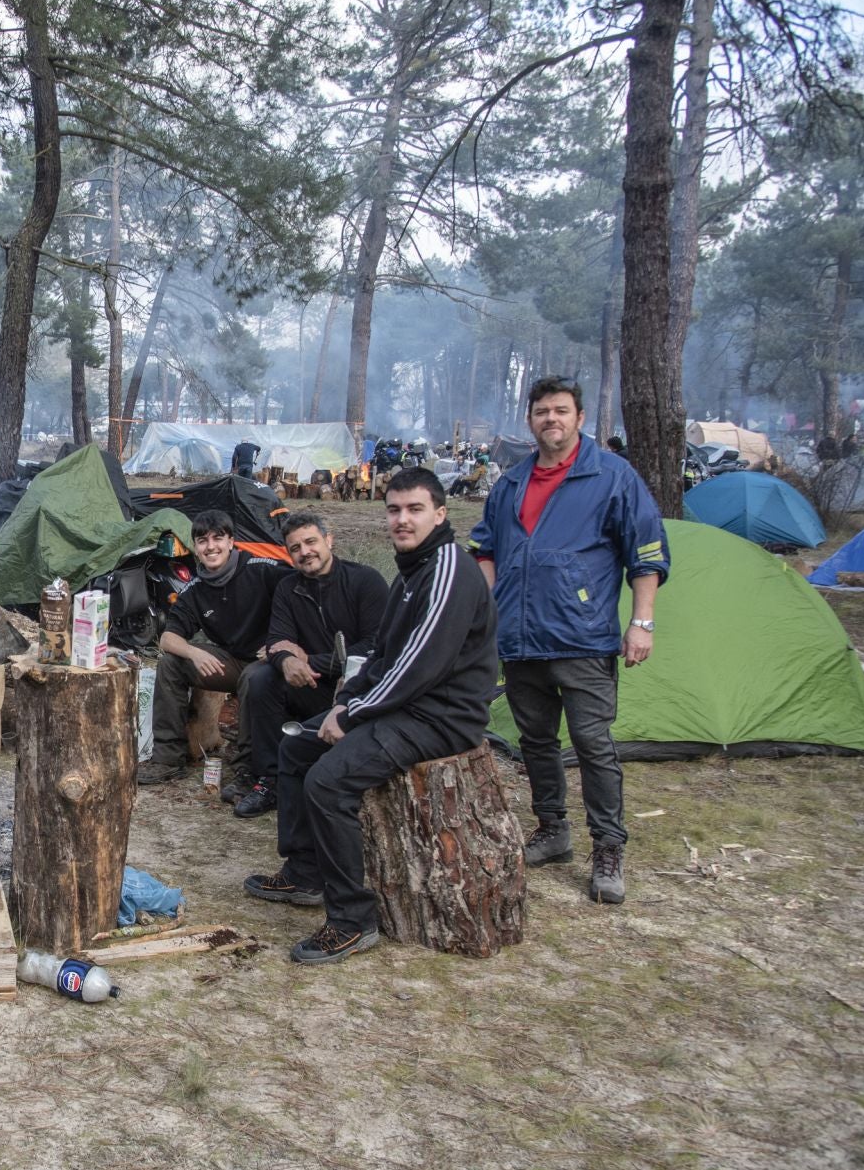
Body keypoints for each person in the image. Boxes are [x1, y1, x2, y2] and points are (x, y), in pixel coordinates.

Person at [243, 469, 497, 965]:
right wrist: (345, 699)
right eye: (395, 509)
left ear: (440, 515)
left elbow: (419, 665)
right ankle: (304, 872)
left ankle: (351, 920)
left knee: (328, 782)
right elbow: (383, 653)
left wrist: (353, 712)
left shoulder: (447, 568)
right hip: (405, 705)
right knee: (297, 747)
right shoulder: (413, 569)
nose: (402, 520)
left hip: (440, 717)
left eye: (415, 509)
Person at [472, 375, 669, 907]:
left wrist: (642, 622)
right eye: (541, 412)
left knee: (593, 745)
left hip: (582, 639)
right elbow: (484, 548)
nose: (550, 419)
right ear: (530, 420)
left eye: (561, 410)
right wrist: (487, 613)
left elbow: (646, 552)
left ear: (580, 419)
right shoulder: (511, 483)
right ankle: (553, 829)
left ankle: (608, 847)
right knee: (535, 742)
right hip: (519, 639)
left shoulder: (611, 476)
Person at [230, 513, 388, 819]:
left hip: (358, 691)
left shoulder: (365, 581)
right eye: (295, 548)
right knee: (261, 678)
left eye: (311, 542)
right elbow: (277, 640)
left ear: (329, 540)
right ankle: (270, 779)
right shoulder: (289, 588)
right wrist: (287, 660)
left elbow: (376, 645)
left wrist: (310, 660)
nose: (305, 552)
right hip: (312, 686)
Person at [136, 511, 289, 787]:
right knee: (171, 663)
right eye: (203, 540)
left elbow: (299, 592)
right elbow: (168, 638)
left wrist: (283, 641)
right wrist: (195, 652)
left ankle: (247, 768)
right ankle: (168, 758)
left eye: (218, 538)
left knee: (254, 678)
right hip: (233, 661)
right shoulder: (196, 587)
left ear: (231, 542)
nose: (211, 546)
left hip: (272, 660)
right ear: (196, 547)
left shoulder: (261, 568)